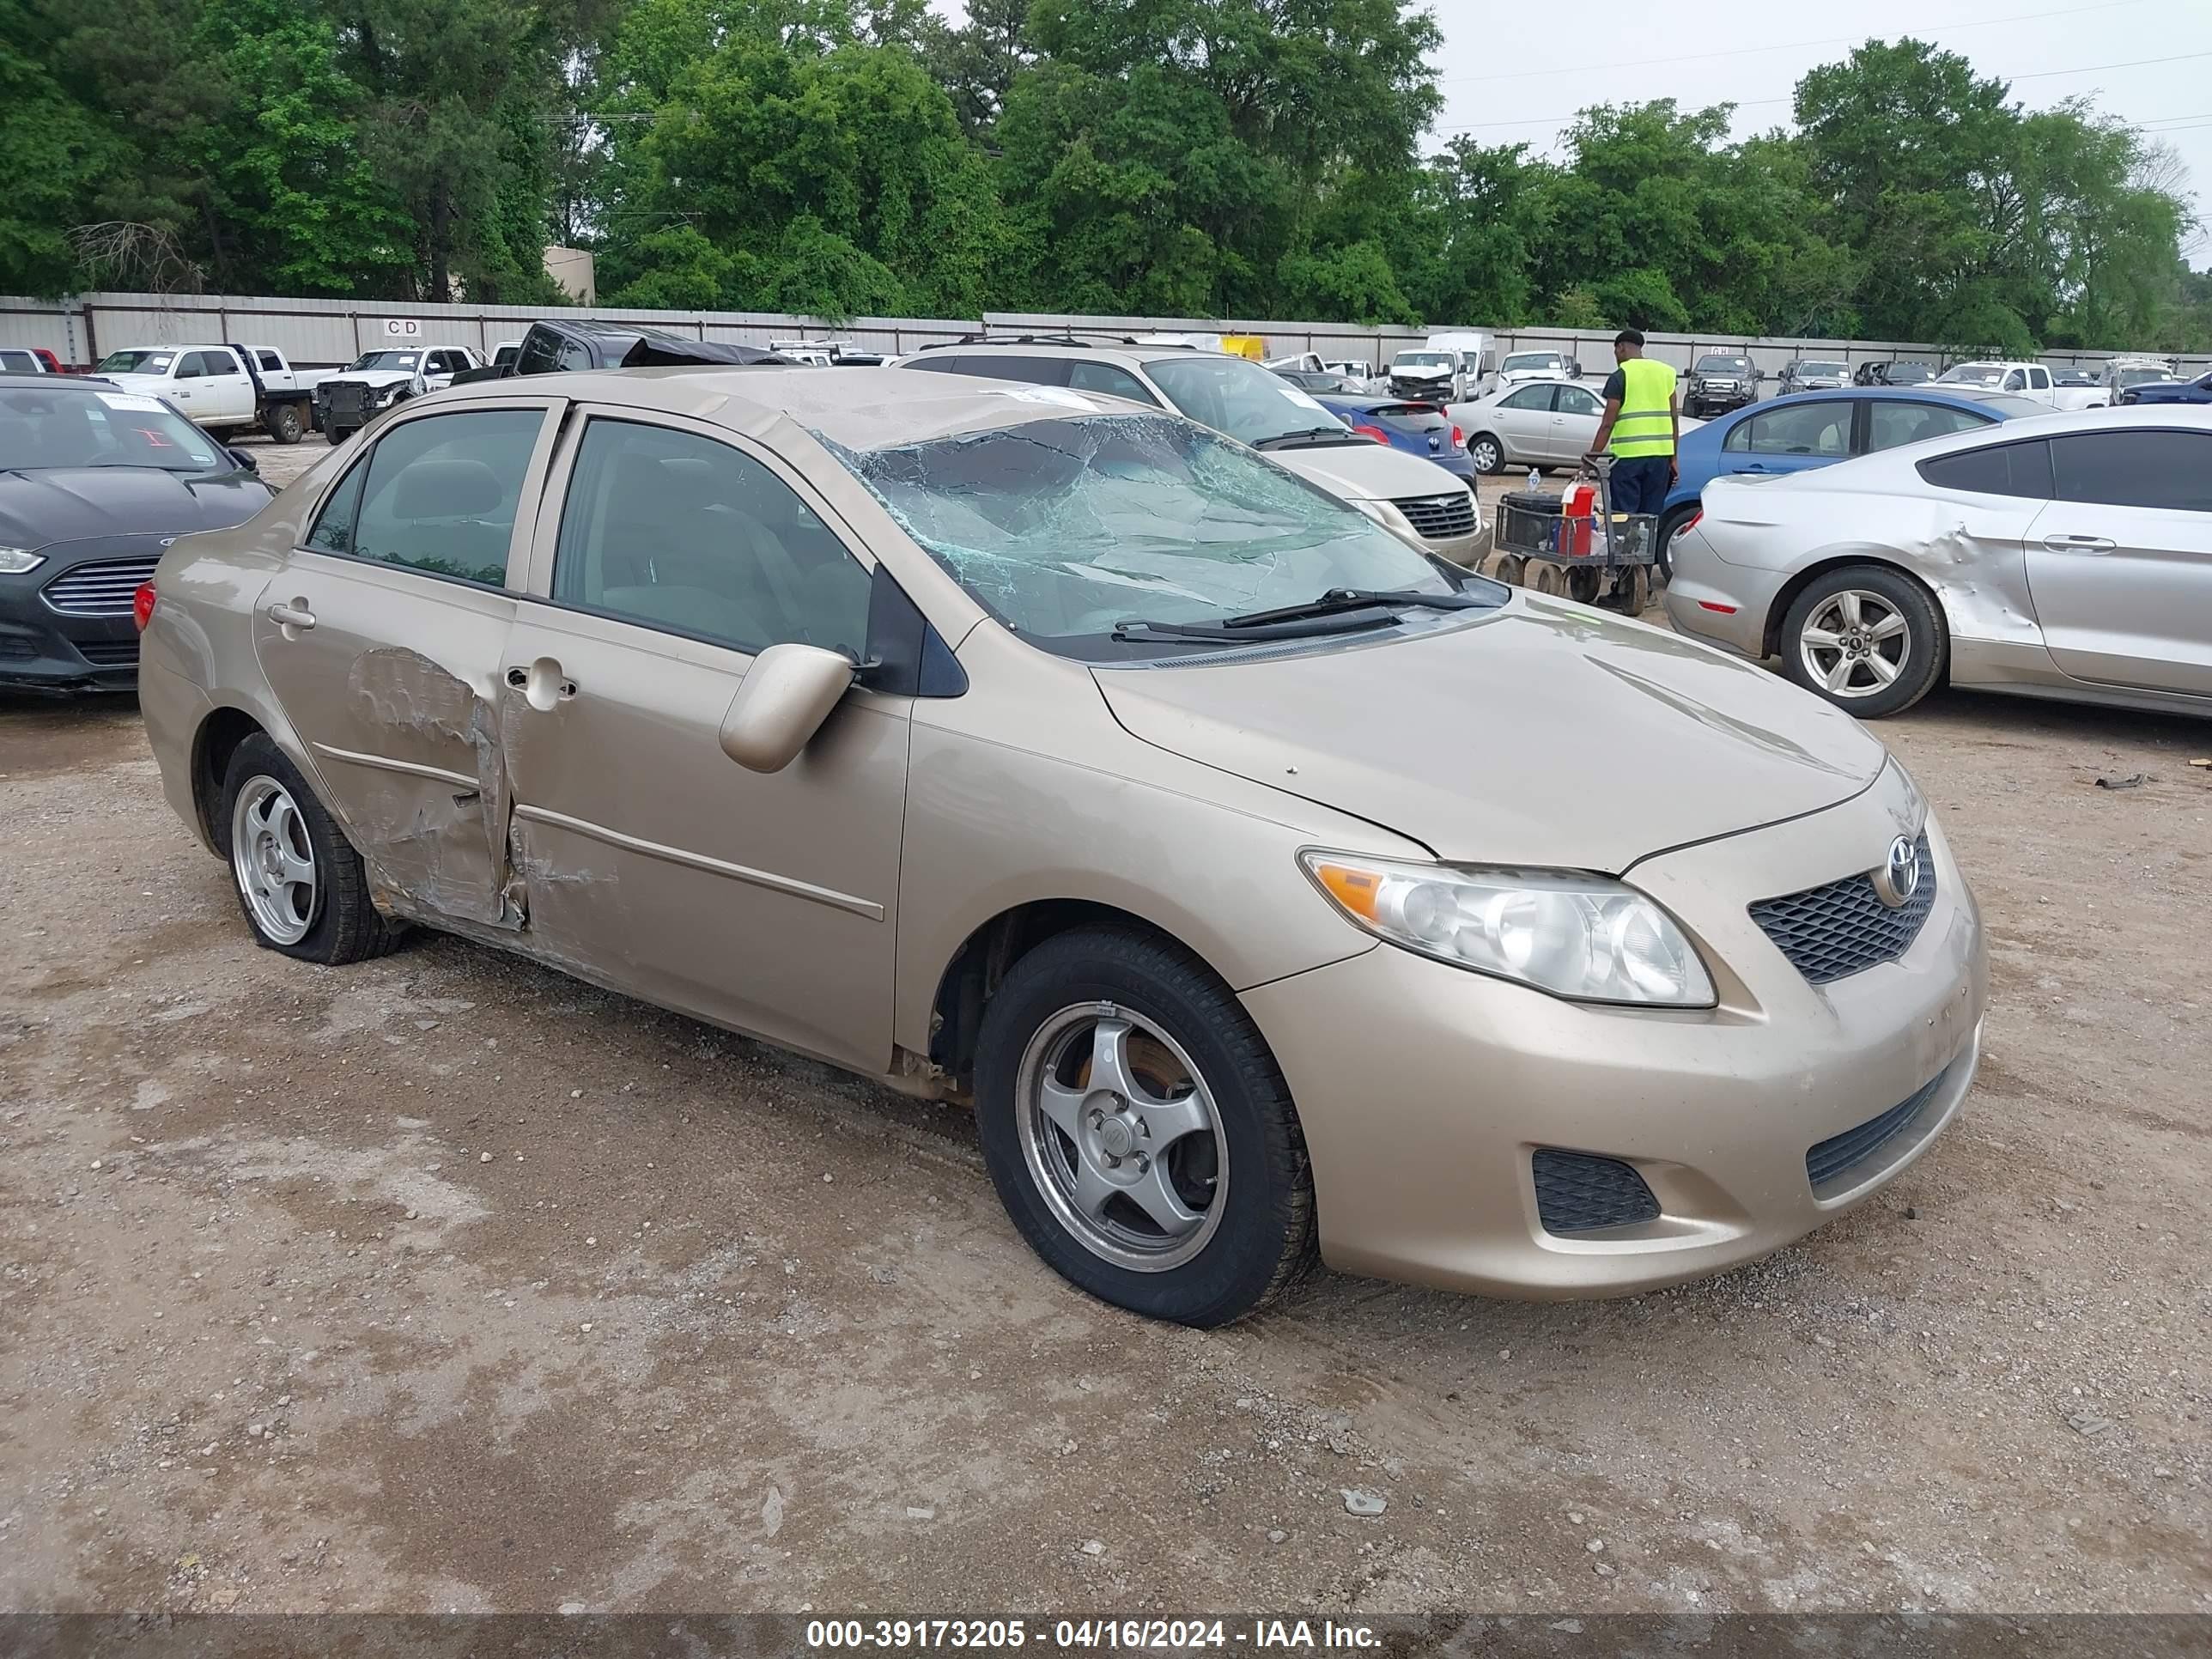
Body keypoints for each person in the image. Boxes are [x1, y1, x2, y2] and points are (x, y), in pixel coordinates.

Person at [1585, 329, 1679, 516]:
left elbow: (1607, 425)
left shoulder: (1620, 376)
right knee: (1650, 518)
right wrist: (1674, 459)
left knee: (1623, 517)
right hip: (1660, 460)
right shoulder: (1666, 373)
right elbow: (1674, 418)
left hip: (1628, 462)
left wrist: (1588, 464)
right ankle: (1645, 546)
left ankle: (1624, 546)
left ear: (1621, 348)